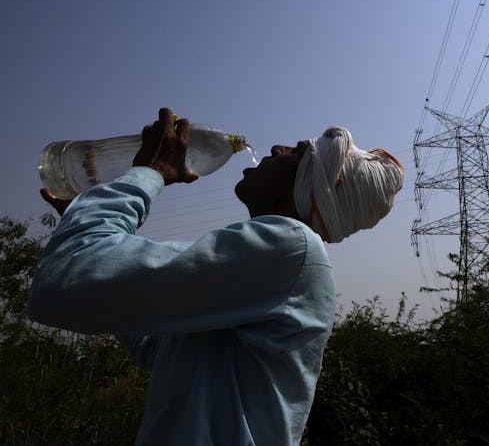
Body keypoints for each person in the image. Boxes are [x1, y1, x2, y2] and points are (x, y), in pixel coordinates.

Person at [27, 107, 403, 445]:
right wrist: (90, 229)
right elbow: (160, 348)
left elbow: (63, 279)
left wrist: (149, 171)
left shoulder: (292, 248)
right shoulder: (270, 267)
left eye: (296, 151)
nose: (275, 148)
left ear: (306, 183)